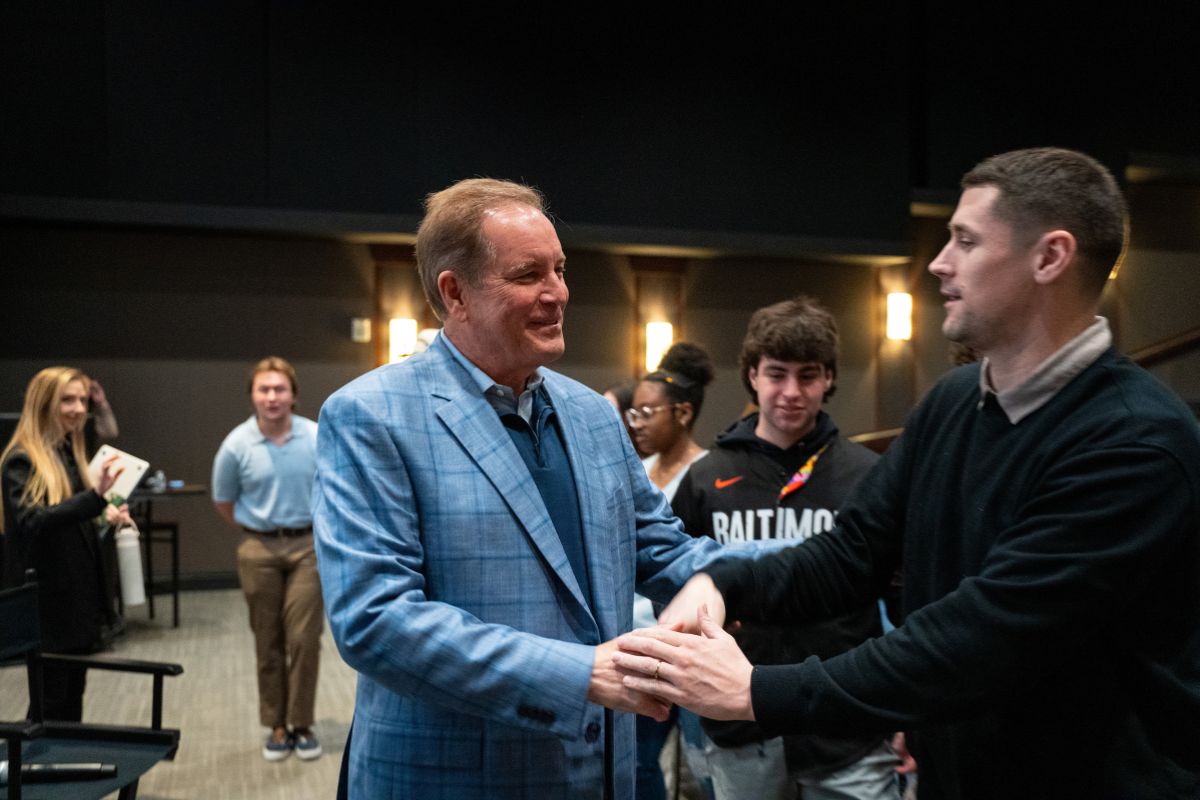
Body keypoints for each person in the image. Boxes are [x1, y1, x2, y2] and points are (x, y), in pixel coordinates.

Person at [614, 147, 1200, 799]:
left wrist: (753, 691)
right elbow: (850, 556)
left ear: (1050, 257)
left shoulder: (1135, 441)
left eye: (965, 241)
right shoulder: (953, 401)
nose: (938, 264)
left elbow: (974, 642)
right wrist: (722, 582)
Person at [312, 178, 759, 800]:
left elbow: (661, 548)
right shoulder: (370, 415)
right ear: (454, 292)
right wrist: (581, 675)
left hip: (598, 772)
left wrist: (731, 577)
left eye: (560, 269)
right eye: (529, 275)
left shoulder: (593, 415)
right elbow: (375, 621)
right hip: (456, 779)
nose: (558, 294)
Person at [668, 297, 896, 800]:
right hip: (740, 727)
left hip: (845, 724)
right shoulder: (706, 478)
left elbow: (896, 594)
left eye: (808, 376)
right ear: (752, 375)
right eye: (776, 374)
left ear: (829, 379)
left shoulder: (867, 474)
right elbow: (675, 587)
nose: (791, 392)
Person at [1, 366, 131, 721]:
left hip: (76, 605)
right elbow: (32, 523)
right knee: (50, 704)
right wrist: (94, 499)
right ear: (43, 404)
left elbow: (68, 525)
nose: (77, 409)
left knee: (70, 700)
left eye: (82, 401)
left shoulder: (68, 455)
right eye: (67, 400)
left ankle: (58, 772)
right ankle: (28, 773)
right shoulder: (22, 460)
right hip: (49, 608)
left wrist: (104, 519)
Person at [212, 357, 323, 762]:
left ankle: (302, 723)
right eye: (264, 389)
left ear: (293, 394)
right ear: (253, 396)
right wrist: (256, 528)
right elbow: (223, 500)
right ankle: (276, 724)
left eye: (279, 389)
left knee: (305, 638)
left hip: (308, 547)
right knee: (268, 640)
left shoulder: (315, 436)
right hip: (258, 549)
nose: (272, 397)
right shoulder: (236, 445)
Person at [627, 342, 715, 800]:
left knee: (701, 766)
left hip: (691, 640)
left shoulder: (709, 472)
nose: (636, 423)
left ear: (682, 413)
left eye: (647, 412)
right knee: (639, 763)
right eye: (633, 413)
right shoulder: (636, 470)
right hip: (640, 643)